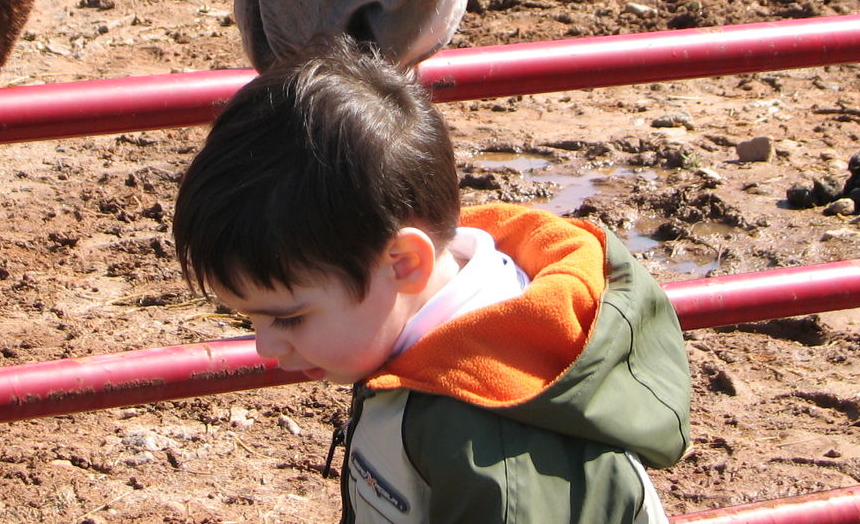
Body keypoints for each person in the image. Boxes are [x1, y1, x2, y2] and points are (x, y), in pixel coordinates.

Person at [172, 38, 691, 524]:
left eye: (289, 317)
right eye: (251, 319)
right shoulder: (422, 338)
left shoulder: (485, 438)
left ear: (403, 262)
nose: (264, 345)